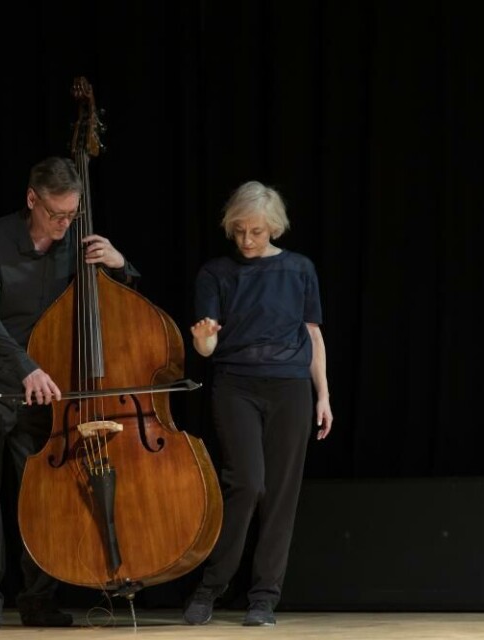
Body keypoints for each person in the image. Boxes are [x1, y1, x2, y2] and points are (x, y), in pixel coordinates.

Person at [0, 156, 140, 629]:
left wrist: (121, 267)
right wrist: (25, 367)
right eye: (56, 214)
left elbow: (119, 304)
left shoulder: (78, 240)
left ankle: (36, 599)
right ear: (32, 200)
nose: (64, 224)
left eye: (71, 214)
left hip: (46, 386)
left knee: (42, 494)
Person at [182, 180, 333, 627]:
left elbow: (313, 335)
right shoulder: (215, 273)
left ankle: (264, 598)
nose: (247, 240)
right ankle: (210, 589)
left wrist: (323, 395)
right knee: (246, 484)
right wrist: (203, 339)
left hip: (290, 388)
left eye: (257, 232)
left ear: (274, 229)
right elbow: (207, 350)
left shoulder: (300, 269)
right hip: (236, 386)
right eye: (240, 231)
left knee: (281, 496)